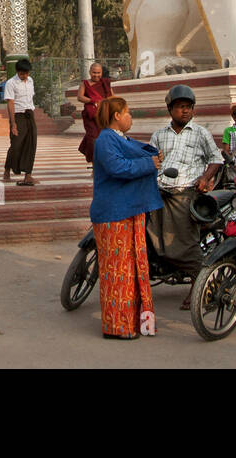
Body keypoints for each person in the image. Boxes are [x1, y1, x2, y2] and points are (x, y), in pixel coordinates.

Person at [90, 96, 164, 339]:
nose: (130, 117)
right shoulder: (105, 141)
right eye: (127, 112)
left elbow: (135, 154)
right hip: (113, 213)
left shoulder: (119, 139)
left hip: (129, 211)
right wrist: (149, 163)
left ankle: (134, 322)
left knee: (133, 269)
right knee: (117, 273)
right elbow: (118, 168)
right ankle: (117, 327)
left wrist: (151, 159)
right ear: (116, 116)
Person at [148, 84, 224, 308]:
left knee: (181, 245)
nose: (185, 111)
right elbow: (150, 158)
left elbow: (216, 159)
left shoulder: (201, 133)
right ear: (170, 109)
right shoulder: (159, 135)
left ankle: (202, 285)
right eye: (180, 107)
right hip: (159, 192)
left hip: (184, 193)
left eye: (188, 107)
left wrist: (205, 177)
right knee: (154, 242)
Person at [3, 59, 38, 185]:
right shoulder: (11, 83)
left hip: (29, 114)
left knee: (31, 144)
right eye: (22, 73)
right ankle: (7, 169)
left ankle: (28, 174)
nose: (25, 76)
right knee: (16, 144)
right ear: (17, 71)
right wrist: (13, 124)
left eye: (27, 73)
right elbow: (10, 103)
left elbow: (30, 99)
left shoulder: (30, 81)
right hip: (18, 115)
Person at [75, 62, 114, 163]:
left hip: (103, 115)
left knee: (104, 138)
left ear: (101, 73)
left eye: (98, 73)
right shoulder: (85, 83)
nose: (96, 75)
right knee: (93, 137)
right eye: (94, 72)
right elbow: (80, 97)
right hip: (91, 116)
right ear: (89, 72)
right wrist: (93, 101)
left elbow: (112, 97)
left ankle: (103, 162)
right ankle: (94, 163)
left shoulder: (105, 83)